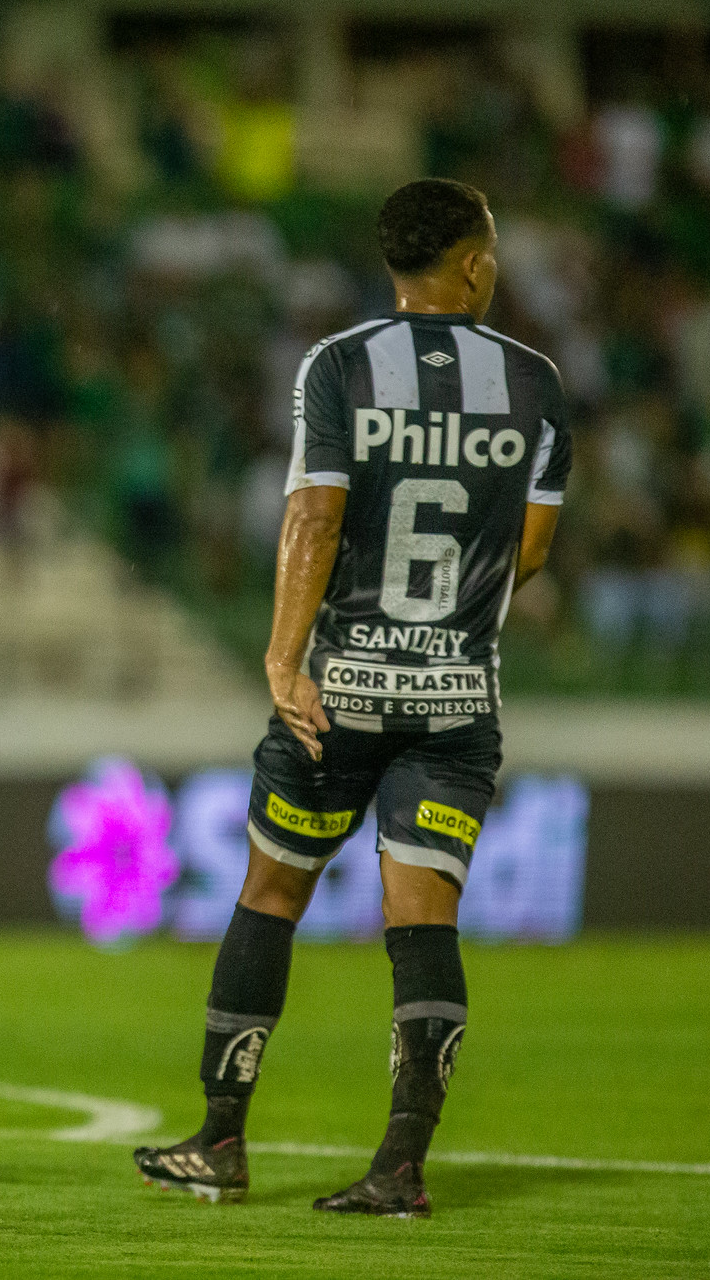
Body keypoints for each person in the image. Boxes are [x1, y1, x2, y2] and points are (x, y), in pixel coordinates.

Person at [132, 179, 571, 1218]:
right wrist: (446, 625)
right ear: (473, 264)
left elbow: (313, 520)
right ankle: (400, 1167)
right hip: (454, 702)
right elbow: (531, 553)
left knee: (269, 895)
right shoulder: (535, 381)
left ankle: (220, 1140)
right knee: (421, 921)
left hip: (339, 697)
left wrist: (285, 659)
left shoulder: (339, 365)